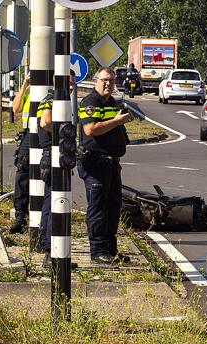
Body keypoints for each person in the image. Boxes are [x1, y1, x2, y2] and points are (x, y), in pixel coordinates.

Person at [77, 67, 132, 265]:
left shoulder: (112, 102)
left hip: (111, 163)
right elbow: (90, 129)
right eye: (104, 80)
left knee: (113, 207)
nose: (107, 84)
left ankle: (110, 249)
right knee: (98, 208)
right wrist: (116, 122)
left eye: (111, 80)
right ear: (95, 81)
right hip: (95, 163)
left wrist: (120, 121)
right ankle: (98, 250)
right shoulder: (91, 101)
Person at [37, 74, 75, 268]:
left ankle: (52, 250)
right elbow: (45, 122)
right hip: (52, 156)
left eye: (73, 81)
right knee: (53, 205)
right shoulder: (52, 99)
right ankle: (50, 252)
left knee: (51, 202)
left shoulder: (61, 100)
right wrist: (63, 134)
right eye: (68, 81)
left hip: (55, 155)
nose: (72, 85)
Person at [9, 74, 32, 233]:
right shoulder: (29, 90)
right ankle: (20, 216)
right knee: (22, 174)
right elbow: (15, 109)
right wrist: (24, 84)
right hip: (29, 135)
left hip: (47, 134)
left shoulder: (52, 89)